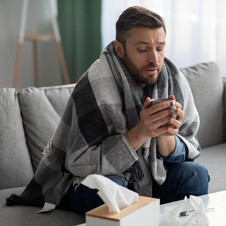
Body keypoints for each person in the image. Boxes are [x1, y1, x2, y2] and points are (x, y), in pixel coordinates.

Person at [6, 6, 209, 214]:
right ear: (120, 49)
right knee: (109, 192)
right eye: (142, 49)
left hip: (150, 172)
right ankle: (138, 211)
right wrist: (141, 132)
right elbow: (78, 162)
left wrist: (166, 137)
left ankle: (149, 216)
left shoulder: (173, 79)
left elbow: (191, 144)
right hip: (90, 178)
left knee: (197, 176)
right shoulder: (94, 86)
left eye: (159, 48)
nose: (155, 59)